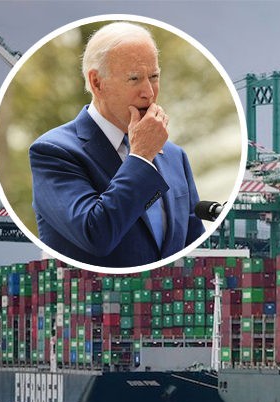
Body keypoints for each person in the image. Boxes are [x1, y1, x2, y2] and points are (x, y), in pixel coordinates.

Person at [29, 22, 205, 268]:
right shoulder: (53, 152)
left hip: (169, 304)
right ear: (97, 83)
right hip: (87, 302)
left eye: (154, 77)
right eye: (134, 79)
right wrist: (141, 157)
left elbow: (194, 250)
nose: (149, 93)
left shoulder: (175, 156)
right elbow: (95, 235)